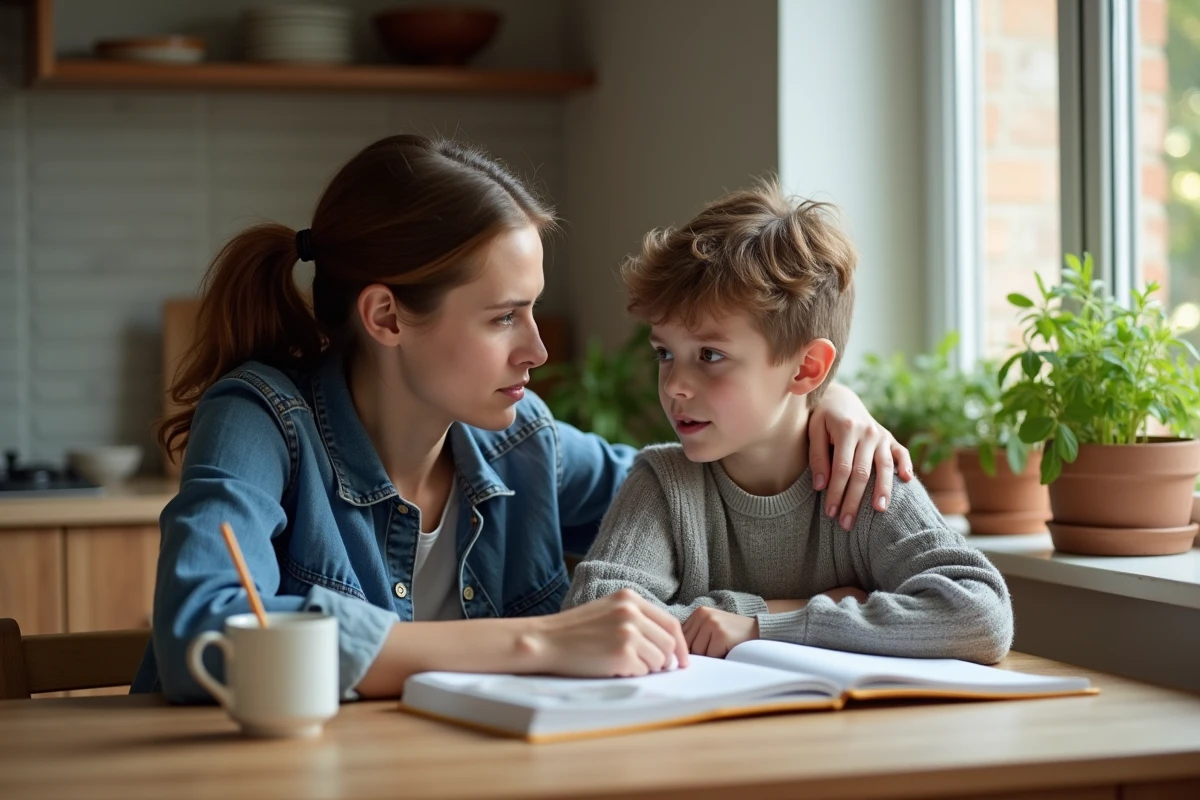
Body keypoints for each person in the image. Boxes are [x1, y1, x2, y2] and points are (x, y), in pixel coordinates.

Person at [131, 135, 914, 703]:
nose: (537, 349)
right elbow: (205, 629)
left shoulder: (525, 444)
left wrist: (820, 403)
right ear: (386, 316)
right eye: (504, 317)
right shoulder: (260, 420)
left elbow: (700, 496)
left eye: (532, 311)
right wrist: (536, 641)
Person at [563, 180, 1013, 664]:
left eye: (710, 355)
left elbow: (981, 616)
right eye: (665, 353)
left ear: (806, 369)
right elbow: (595, 615)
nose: (674, 385)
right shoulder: (665, 483)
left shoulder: (862, 480)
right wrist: (773, 610)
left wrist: (758, 627)